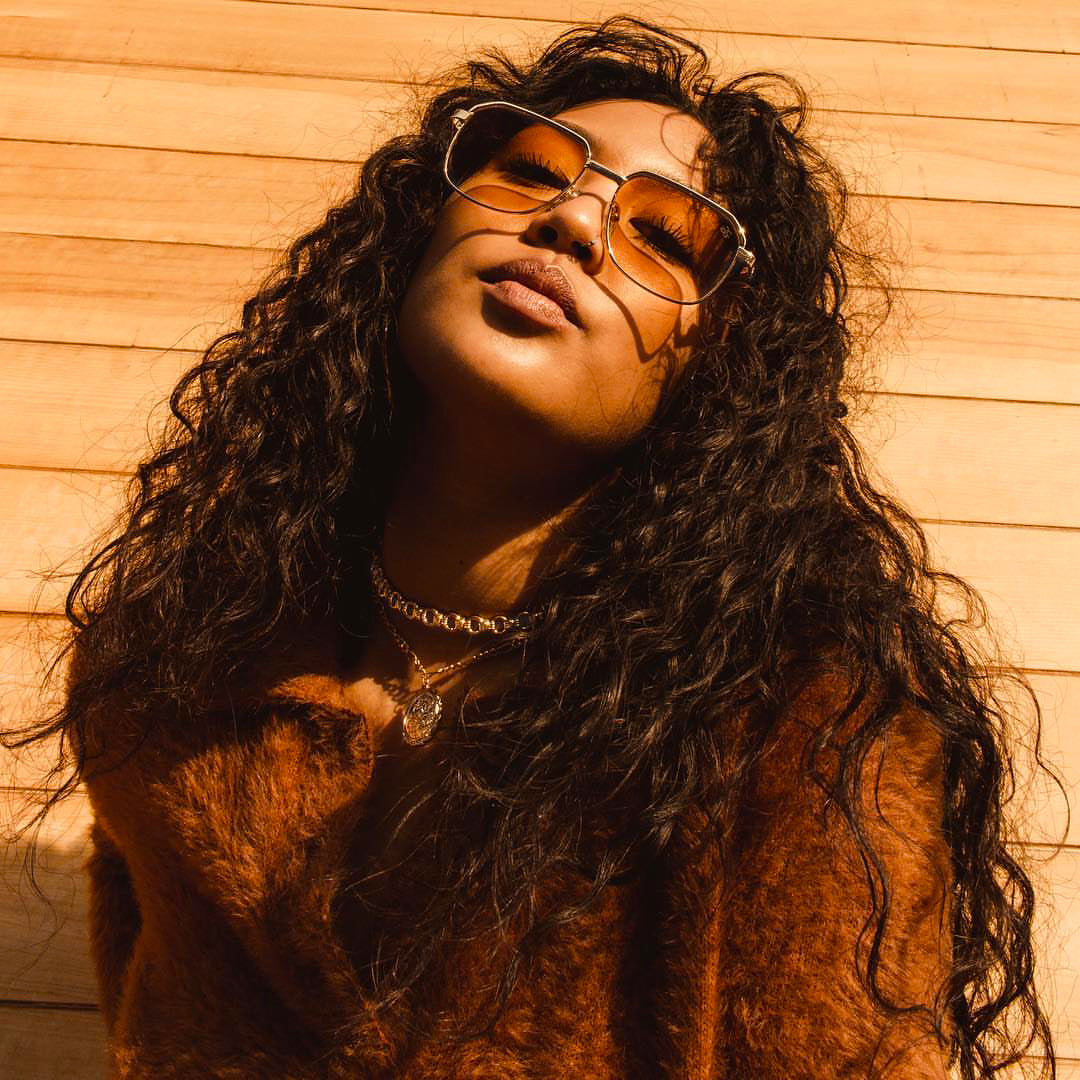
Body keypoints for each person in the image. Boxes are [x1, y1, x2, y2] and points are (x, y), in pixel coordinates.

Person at [4, 16, 1060, 1079]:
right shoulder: (182, 654)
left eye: (665, 239)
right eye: (533, 171)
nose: (574, 221)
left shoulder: (804, 738)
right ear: (418, 231)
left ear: (719, 366)